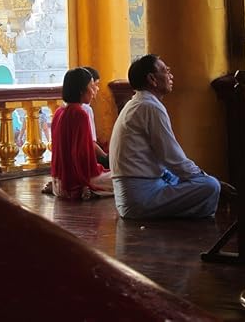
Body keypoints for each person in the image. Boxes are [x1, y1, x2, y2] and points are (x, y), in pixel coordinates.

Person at [109, 54, 221, 219]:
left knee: (186, 178)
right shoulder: (149, 107)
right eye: (166, 71)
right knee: (211, 186)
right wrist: (203, 176)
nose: (171, 76)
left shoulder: (137, 103)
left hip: (137, 193)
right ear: (152, 79)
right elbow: (173, 158)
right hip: (140, 199)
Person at [49, 67, 113, 200]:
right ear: (81, 90)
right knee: (125, 180)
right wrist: (84, 184)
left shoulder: (58, 112)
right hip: (76, 182)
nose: (94, 91)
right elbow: (81, 154)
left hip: (58, 182)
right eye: (91, 86)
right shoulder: (79, 113)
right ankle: (93, 191)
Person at [82, 66, 109, 167]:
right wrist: (107, 159)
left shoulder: (62, 109)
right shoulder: (85, 110)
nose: (96, 89)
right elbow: (91, 144)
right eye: (95, 85)